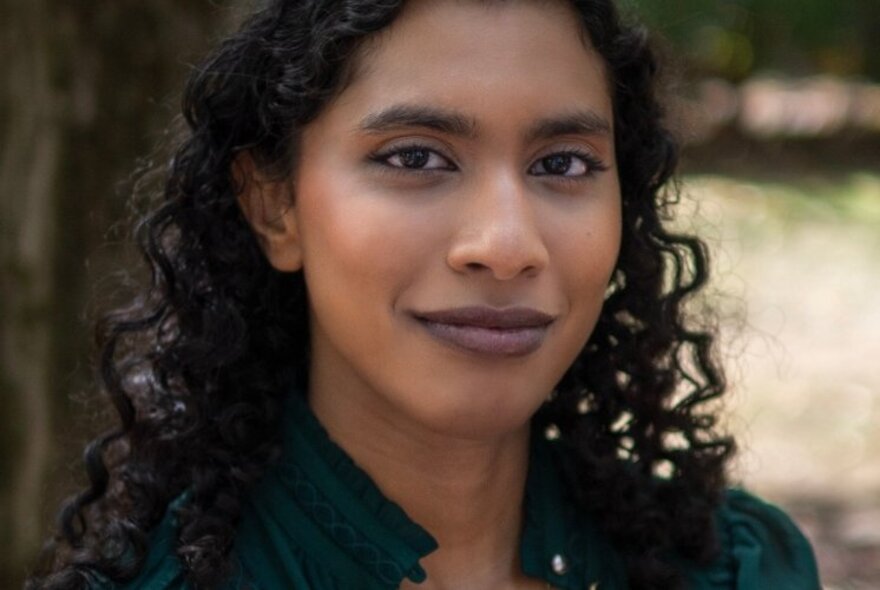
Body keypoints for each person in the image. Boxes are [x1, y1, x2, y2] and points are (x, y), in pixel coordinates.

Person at [28, 0, 822, 588]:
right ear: (275, 207)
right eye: (415, 158)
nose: (506, 246)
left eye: (563, 164)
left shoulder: (734, 568)